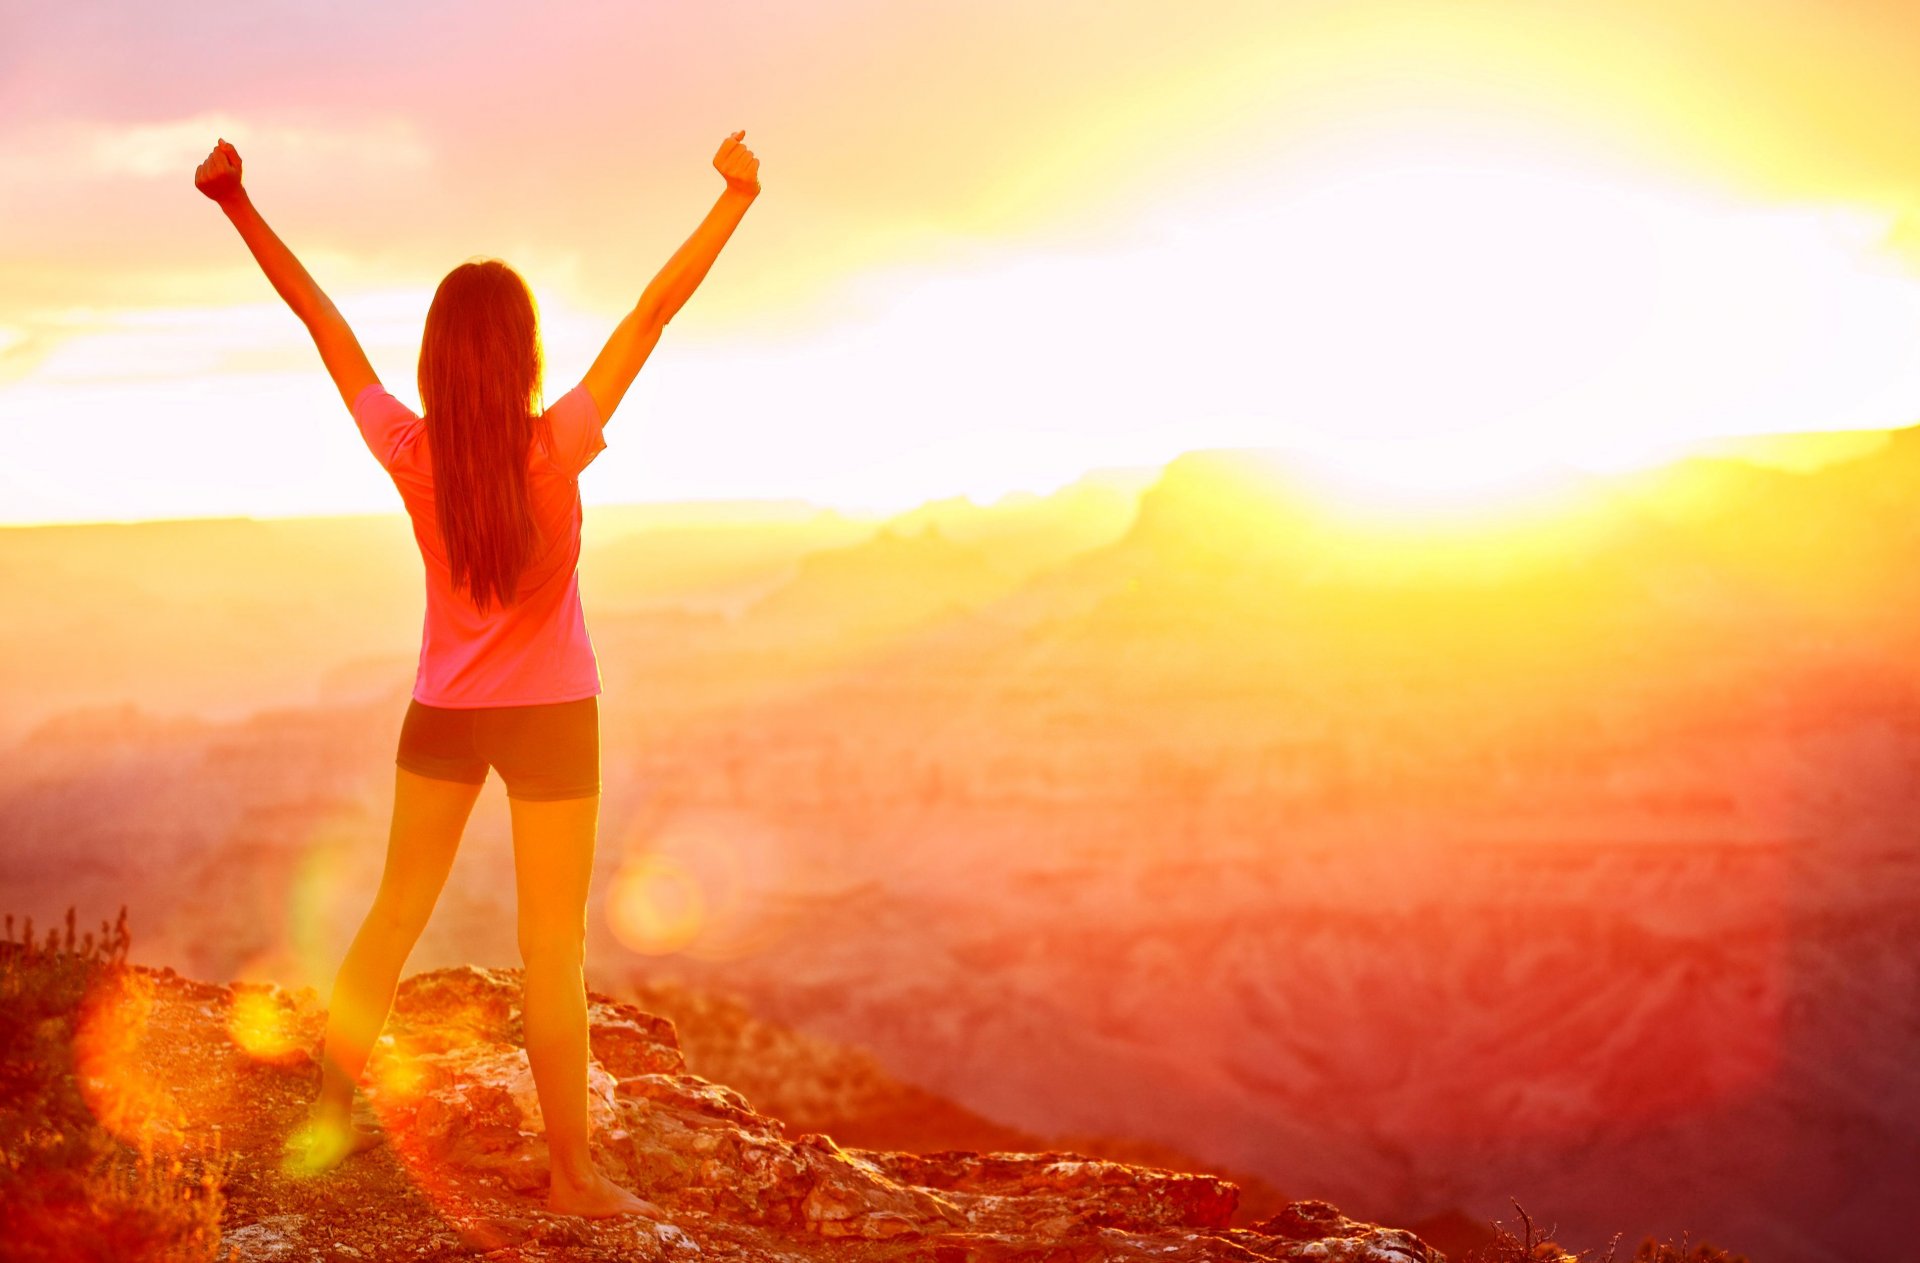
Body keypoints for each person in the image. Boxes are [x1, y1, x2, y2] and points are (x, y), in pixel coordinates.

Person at [194, 129, 761, 1218]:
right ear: (523, 357)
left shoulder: (411, 456)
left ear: (436, 363)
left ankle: (324, 1118)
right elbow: (652, 314)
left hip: (444, 715)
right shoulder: (558, 448)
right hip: (553, 717)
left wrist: (235, 202)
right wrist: (734, 200)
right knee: (552, 951)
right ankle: (573, 1178)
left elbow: (322, 322)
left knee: (392, 918)